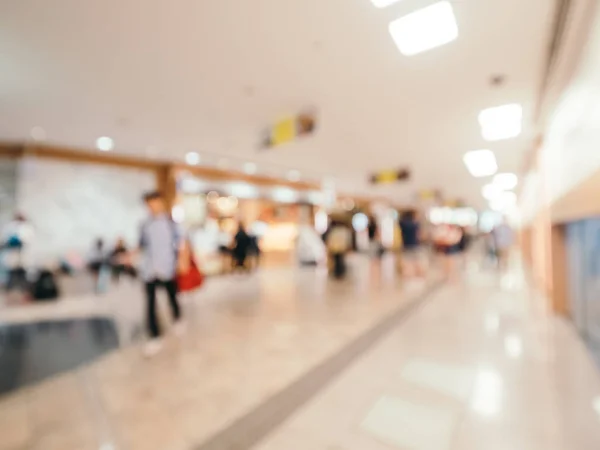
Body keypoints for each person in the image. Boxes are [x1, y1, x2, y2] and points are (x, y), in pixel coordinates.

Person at [139, 191, 185, 357]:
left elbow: (181, 243)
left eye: (155, 203)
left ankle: (177, 318)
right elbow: (142, 246)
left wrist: (181, 261)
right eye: (149, 204)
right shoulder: (145, 225)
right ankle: (154, 335)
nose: (152, 207)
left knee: (171, 296)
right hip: (149, 269)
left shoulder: (171, 223)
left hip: (167, 267)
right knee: (150, 303)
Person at [399, 210, 425, 278]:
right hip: (415, 244)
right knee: (417, 260)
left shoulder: (402, 223)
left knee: (407, 261)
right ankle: (418, 274)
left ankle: (407, 275)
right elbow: (419, 235)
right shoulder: (416, 224)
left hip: (406, 245)